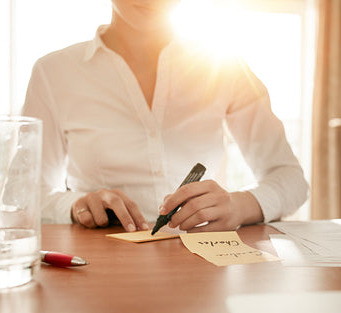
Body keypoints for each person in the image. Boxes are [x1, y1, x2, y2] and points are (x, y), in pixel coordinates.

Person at [22, 0, 309, 233]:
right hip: (98, 260)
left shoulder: (225, 66)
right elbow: (26, 196)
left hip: (203, 262)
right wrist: (75, 206)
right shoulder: (53, 72)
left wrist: (239, 206)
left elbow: (290, 179)